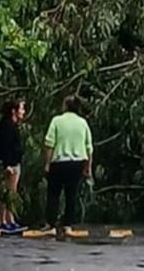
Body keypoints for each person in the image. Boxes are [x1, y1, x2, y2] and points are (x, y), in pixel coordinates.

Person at [43, 96, 93, 235]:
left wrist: (47, 163)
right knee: (71, 195)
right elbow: (89, 147)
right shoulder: (83, 123)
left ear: (65, 106)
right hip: (76, 163)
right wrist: (88, 167)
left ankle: (51, 225)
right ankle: (68, 225)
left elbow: (49, 143)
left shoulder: (56, 121)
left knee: (53, 194)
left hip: (58, 162)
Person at [0, 100, 26, 234]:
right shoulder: (6, 126)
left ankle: (10, 220)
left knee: (12, 193)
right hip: (10, 164)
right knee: (6, 193)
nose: (23, 111)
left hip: (15, 162)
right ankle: (2, 221)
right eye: (21, 109)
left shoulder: (12, 125)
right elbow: (5, 147)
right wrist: (7, 164)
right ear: (13, 111)